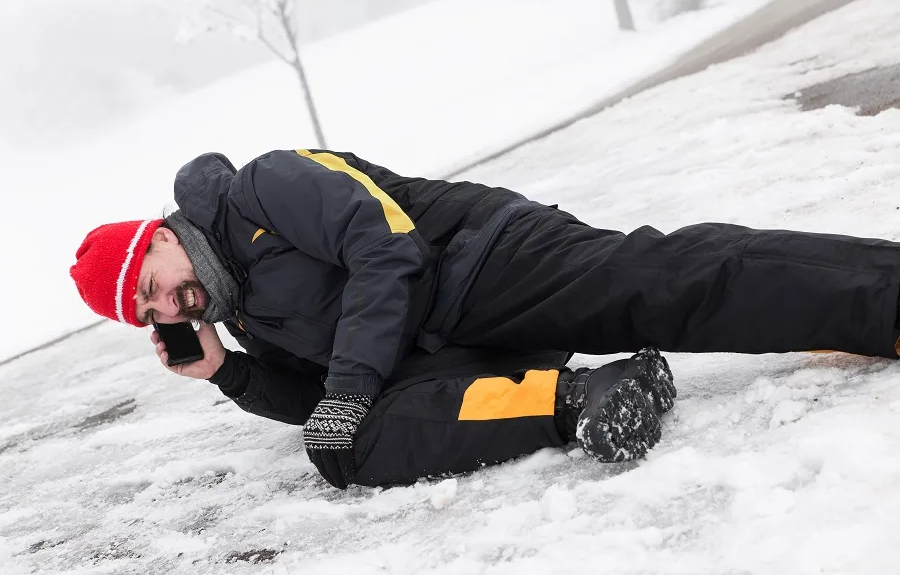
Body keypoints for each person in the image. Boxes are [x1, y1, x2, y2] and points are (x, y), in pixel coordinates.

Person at [70, 149, 900, 488]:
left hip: (487, 262)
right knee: (340, 448)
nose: (161, 304)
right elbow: (326, 401)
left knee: (667, 286)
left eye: (147, 280)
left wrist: (353, 383)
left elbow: (385, 247)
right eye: (141, 311)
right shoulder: (241, 318)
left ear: (157, 239)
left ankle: (883, 297)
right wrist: (230, 371)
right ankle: (580, 398)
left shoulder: (263, 187)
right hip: (451, 347)